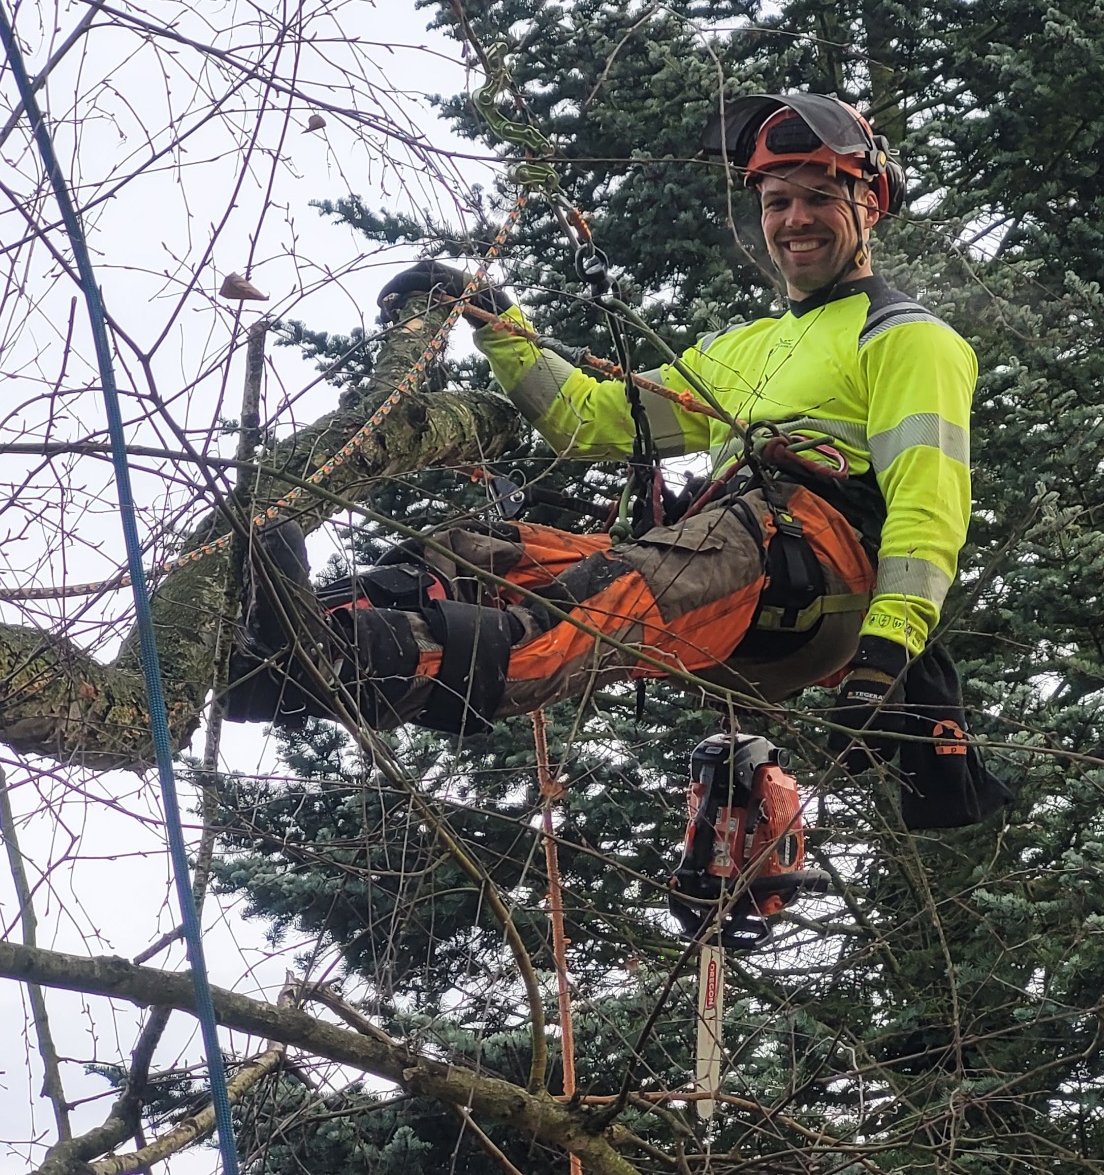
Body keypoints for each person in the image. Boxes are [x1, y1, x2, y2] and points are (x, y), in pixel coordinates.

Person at [230, 93, 977, 767]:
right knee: (475, 553)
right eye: (778, 201)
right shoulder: (743, 351)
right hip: (725, 559)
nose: (795, 220)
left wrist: (886, 654)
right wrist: (496, 320)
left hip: (811, 577)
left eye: (818, 198)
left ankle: (347, 661)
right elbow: (586, 418)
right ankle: (280, 651)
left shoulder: (905, 337)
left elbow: (928, 502)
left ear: (870, 204)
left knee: (597, 600)